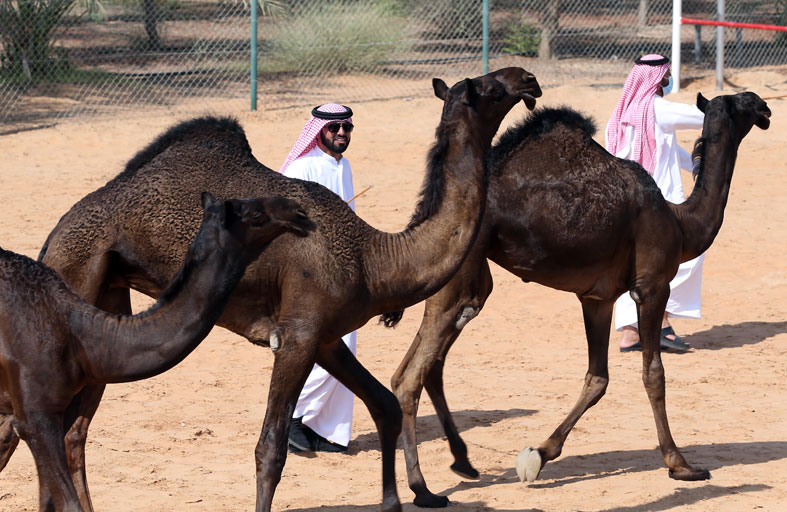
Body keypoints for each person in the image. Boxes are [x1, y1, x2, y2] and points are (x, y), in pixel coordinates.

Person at [605, 54, 706, 353]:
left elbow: (668, 149)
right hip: (659, 205)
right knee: (676, 260)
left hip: (626, 202)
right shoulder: (658, 109)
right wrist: (736, 106)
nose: (668, 79)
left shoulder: (624, 111)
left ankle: (629, 334)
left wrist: (697, 166)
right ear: (659, 77)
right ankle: (660, 325)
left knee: (630, 266)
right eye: (667, 74)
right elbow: (705, 117)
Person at [279, 103, 357, 453]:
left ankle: (322, 428)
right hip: (311, 275)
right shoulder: (302, 167)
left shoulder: (345, 166)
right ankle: (290, 418)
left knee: (345, 350)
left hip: (342, 272)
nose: (341, 133)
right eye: (334, 127)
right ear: (319, 131)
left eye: (347, 127)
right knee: (322, 347)